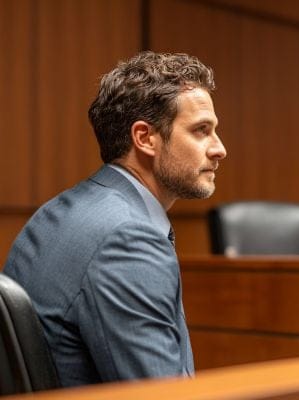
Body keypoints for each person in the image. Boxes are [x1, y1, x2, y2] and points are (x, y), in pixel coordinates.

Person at [2, 51, 226, 386]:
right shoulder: (128, 239)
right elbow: (161, 396)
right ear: (145, 138)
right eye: (201, 130)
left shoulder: (56, 212)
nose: (219, 148)